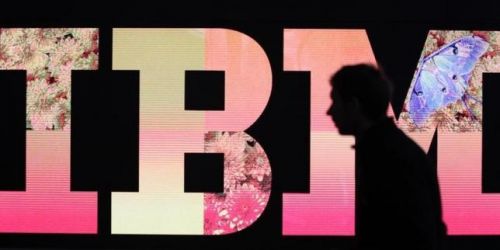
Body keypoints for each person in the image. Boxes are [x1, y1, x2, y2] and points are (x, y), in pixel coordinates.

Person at [327, 64, 447, 250]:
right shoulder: (392, 150)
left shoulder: (387, 158)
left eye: (335, 101)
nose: (330, 111)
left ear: (354, 105)